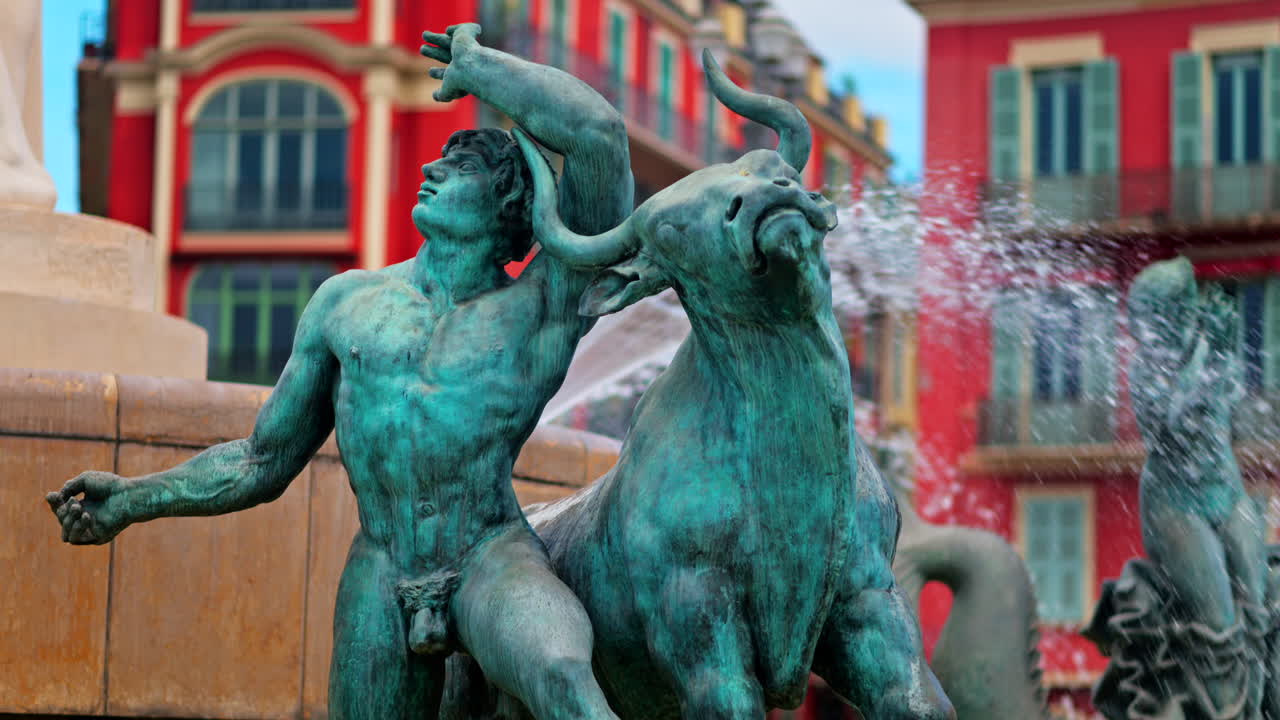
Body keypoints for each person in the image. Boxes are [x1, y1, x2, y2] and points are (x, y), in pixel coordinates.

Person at [45, 23, 631, 720]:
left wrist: (482, 70)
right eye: (437, 161)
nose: (431, 170)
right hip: (382, 570)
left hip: (487, 552)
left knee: (562, 671)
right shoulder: (346, 303)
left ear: (508, 206)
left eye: (462, 166)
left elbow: (598, 139)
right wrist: (134, 500)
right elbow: (262, 460)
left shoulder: (540, 307)